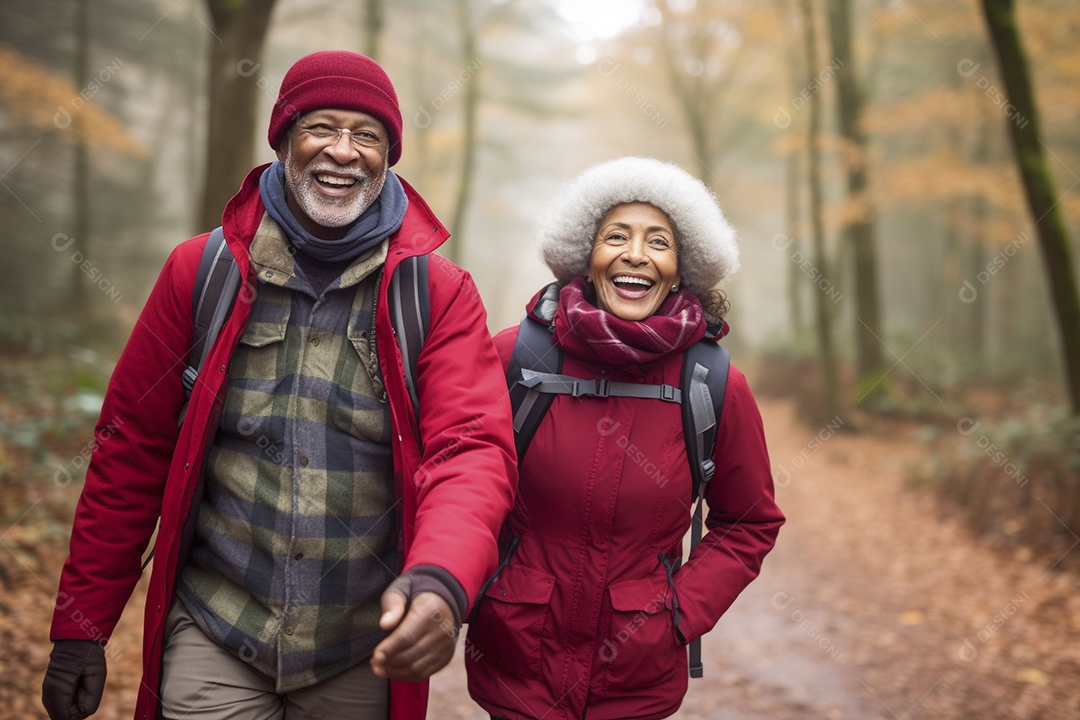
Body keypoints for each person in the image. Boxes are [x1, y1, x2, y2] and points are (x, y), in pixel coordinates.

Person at [41, 50, 517, 720]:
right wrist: (82, 625)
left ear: (389, 156)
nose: (344, 151)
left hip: (360, 649)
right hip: (217, 627)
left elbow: (471, 451)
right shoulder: (200, 272)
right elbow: (130, 449)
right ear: (284, 140)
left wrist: (442, 578)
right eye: (321, 127)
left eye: (367, 135)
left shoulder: (436, 293)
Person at [465, 156, 785, 720]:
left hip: (637, 677)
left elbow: (749, 522)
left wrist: (678, 614)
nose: (635, 254)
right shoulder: (516, 357)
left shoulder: (712, 383)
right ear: (586, 258)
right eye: (616, 236)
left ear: (680, 269)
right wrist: (485, 587)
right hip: (517, 666)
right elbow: (459, 481)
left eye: (658, 242)